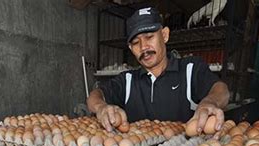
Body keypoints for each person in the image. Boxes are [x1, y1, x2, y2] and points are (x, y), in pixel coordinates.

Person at [87, 7, 230, 135]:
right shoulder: (128, 80)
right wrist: (101, 107)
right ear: (131, 49)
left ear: (165, 35)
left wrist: (209, 102)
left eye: (149, 37)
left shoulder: (190, 69)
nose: (143, 47)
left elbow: (220, 89)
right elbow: (95, 95)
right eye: (136, 43)